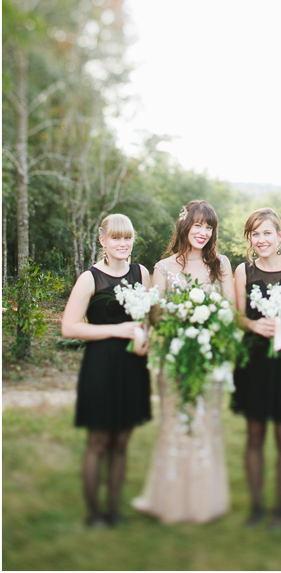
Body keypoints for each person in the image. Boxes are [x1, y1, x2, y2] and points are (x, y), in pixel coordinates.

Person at [131, 200, 236, 524]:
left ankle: (206, 501)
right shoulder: (162, 268)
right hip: (174, 358)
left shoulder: (221, 265)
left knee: (205, 425)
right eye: (198, 225)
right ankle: (169, 500)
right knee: (174, 426)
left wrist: (208, 327)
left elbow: (230, 311)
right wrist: (181, 319)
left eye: (209, 227)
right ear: (184, 226)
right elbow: (155, 313)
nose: (203, 232)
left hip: (208, 359)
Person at [62, 213, 152, 527]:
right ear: (103, 241)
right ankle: (94, 515)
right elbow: (69, 327)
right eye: (115, 238)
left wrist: (145, 338)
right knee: (98, 442)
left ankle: (114, 512)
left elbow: (146, 321)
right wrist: (118, 330)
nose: (122, 243)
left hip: (133, 366)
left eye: (127, 237)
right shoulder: (90, 278)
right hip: (100, 366)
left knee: (121, 442)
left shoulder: (142, 273)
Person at [230, 208, 281, 530]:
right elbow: (239, 315)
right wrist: (254, 325)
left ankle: (280, 510)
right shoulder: (243, 271)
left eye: (267, 233)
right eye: (255, 233)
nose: (261, 239)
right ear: (249, 239)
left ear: (280, 236)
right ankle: (256, 507)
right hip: (253, 360)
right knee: (253, 435)